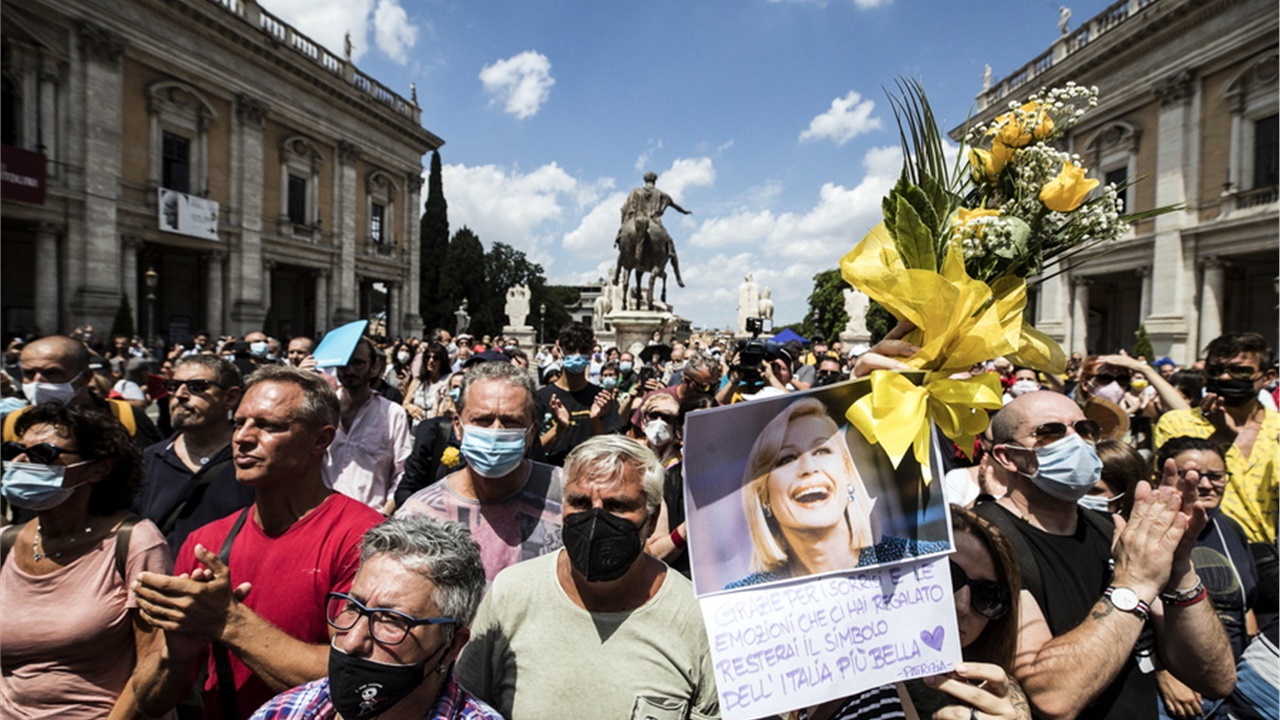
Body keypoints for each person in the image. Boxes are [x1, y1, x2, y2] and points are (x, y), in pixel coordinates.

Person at [132, 365, 385, 719]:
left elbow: (357, 680)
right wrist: (178, 654)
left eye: (269, 426)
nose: (243, 438)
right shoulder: (205, 544)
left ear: (321, 439)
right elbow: (150, 699)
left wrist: (229, 623)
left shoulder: (365, 538)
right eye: (239, 423)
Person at [978, 390, 1236, 718]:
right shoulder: (988, 540)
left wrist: (1180, 569)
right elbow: (1053, 699)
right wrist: (1133, 585)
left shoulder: (1111, 530)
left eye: (1085, 430)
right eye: (1050, 432)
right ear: (1006, 456)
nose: (1075, 441)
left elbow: (1216, 677)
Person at [456, 435, 719, 718]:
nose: (595, 520)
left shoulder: (695, 618)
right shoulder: (512, 593)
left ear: (652, 519)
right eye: (580, 502)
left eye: (617, 506)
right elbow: (465, 704)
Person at [0, 402, 176, 718]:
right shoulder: (7, 543)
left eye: (44, 455)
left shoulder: (135, 541)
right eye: (13, 450)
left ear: (98, 468)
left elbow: (155, 660)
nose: (21, 462)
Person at [248, 516, 503, 720]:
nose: (352, 641)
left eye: (391, 620)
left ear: (452, 646)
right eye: (353, 607)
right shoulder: (284, 712)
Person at [793, 505, 1030, 720]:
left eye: (987, 596)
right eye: (945, 575)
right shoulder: (816, 670)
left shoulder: (998, 698)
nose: (961, 606)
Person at [729, 398, 948, 588]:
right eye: (786, 459)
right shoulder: (741, 599)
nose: (809, 468)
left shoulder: (926, 560)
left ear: (847, 473)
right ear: (763, 496)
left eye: (822, 450)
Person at [396, 361, 563, 581]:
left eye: (510, 421)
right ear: (457, 426)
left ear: (531, 433)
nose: (495, 432)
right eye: (482, 420)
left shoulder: (570, 495)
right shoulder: (420, 516)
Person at [1154, 332, 1278, 624]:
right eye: (1216, 370)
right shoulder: (1178, 423)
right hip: (1205, 550)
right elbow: (1174, 486)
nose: (1225, 377)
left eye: (1239, 371)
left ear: (1267, 376)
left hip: (1267, 557)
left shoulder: (1277, 428)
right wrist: (1220, 437)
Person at [1153, 436, 1259, 720]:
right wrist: (1161, 675)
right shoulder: (1151, 529)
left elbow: (1245, 605)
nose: (1207, 484)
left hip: (1231, 689)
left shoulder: (1230, 529)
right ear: (1164, 475)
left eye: (1216, 476)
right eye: (1193, 476)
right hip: (1177, 697)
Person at [134, 355, 254, 553]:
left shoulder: (253, 459)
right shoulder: (148, 460)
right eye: (173, 386)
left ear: (230, 397)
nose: (180, 395)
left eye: (197, 387)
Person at [6, 335, 163, 449]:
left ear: (85, 377)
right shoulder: (12, 423)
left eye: (52, 373)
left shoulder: (124, 416)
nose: (37, 382)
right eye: (29, 373)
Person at [322, 338, 411, 514]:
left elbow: (402, 472)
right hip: (324, 516)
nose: (350, 370)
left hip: (370, 518)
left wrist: (386, 512)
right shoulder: (323, 410)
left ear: (374, 367)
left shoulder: (393, 414)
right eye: (344, 363)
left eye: (358, 363)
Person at [535, 322, 623, 466]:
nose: (576, 355)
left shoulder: (602, 398)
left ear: (591, 353)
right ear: (560, 350)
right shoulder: (541, 397)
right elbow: (532, 450)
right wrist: (560, 428)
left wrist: (596, 420)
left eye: (582, 350)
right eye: (570, 350)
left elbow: (612, 452)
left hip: (591, 476)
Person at [403, 343, 452, 425]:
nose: (431, 361)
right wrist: (410, 407)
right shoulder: (417, 381)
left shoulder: (449, 379)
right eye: (428, 357)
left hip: (438, 427)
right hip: (416, 427)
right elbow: (405, 403)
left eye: (435, 358)